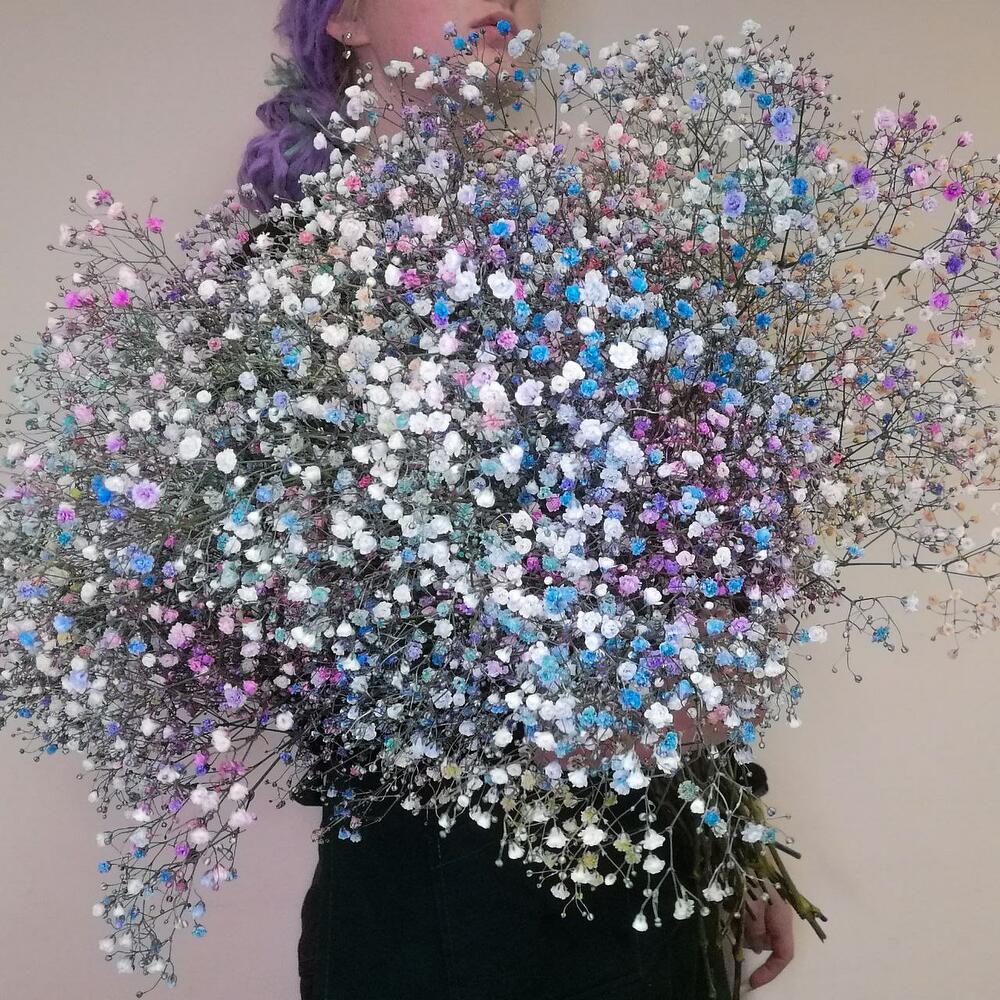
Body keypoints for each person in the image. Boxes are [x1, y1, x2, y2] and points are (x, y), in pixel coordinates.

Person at [235, 3, 795, 996]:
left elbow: (682, 573)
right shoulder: (286, 277)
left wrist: (726, 824)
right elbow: (268, 613)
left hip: (647, 857)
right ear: (346, 17)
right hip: (436, 879)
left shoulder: (597, 240)